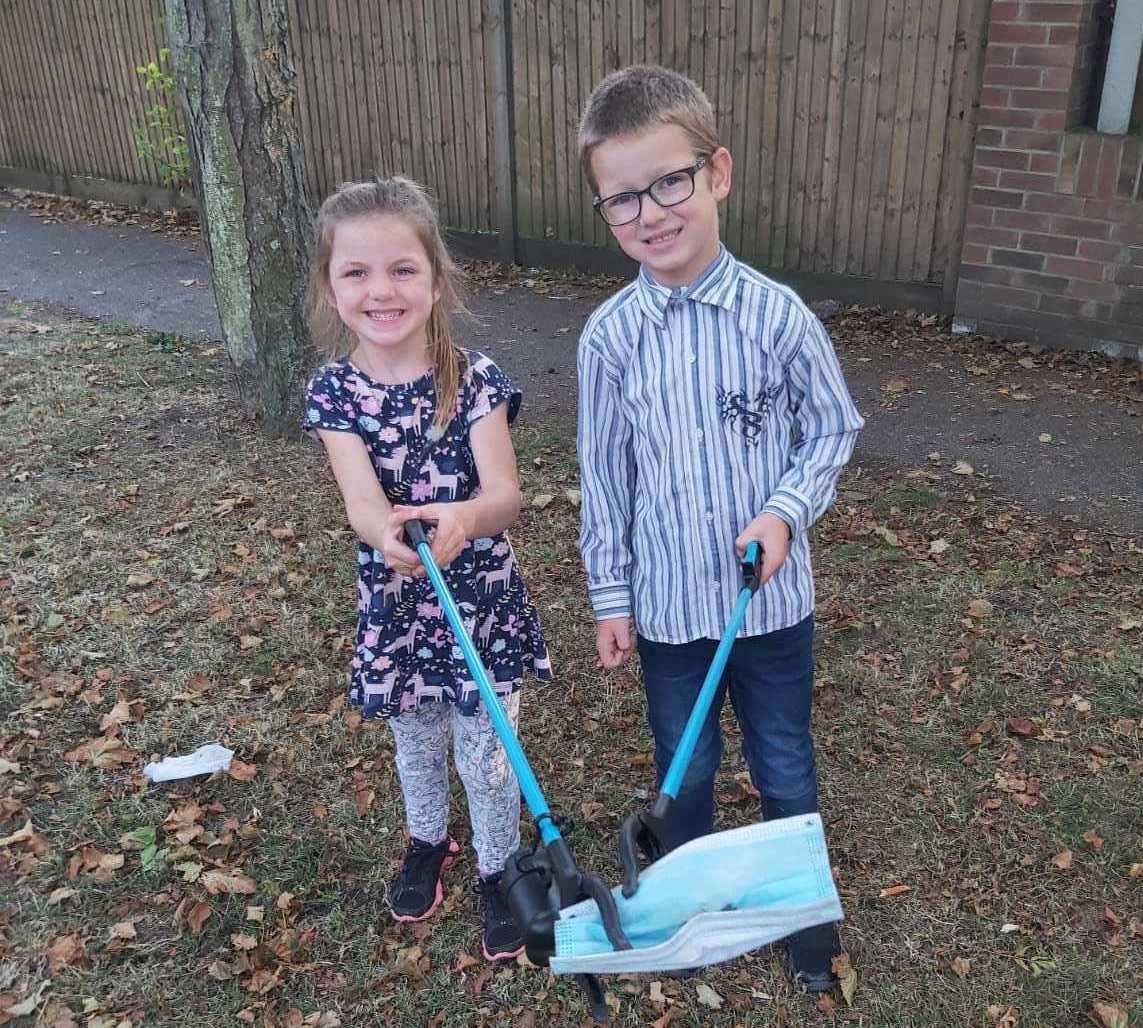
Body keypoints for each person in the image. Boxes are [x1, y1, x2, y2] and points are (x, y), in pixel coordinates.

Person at [575, 65, 863, 991]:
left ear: (717, 173)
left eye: (670, 183)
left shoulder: (777, 317)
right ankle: (690, 912)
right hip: (667, 611)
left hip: (770, 606)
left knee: (783, 761)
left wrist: (783, 513)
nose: (650, 215)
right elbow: (604, 478)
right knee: (683, 767)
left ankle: (804, 920)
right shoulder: (609, 339)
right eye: (621, 201)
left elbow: (832, 426)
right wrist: (610, 597)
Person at [302, 176, 551, 963]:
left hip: (479, 602)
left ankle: (499, 866)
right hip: (399, 603)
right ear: (330, 287)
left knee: (486, 746)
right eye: (357, 272)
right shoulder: (335, 391)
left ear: (436, 280)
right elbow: (360, 502)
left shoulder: (473, 379)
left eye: (402, 269)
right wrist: (390, 537)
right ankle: (425, 840)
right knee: (415, 737)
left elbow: (505, 494)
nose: (382, 290)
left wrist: (464, 519)